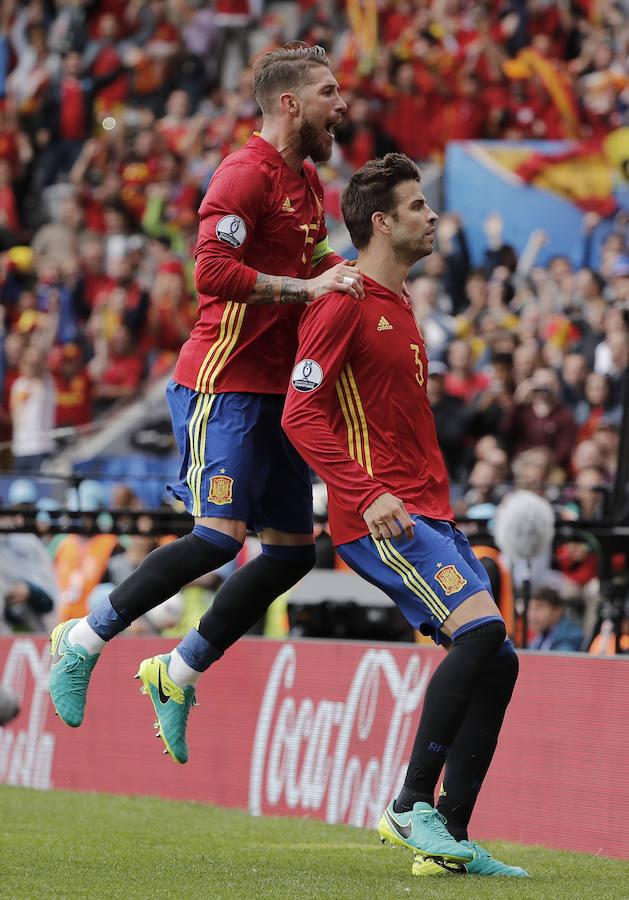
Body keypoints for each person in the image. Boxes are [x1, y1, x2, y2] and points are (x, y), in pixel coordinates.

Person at [48, 43, 363, 764]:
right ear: (289, 103)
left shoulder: (308, 182)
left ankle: (178, 671)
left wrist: (357, 275)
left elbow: (310, 261)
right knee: (218, 536)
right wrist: (306, 290)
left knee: (290, 553)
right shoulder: (242, 174)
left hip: (278, 391)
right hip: (222, 385)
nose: (340, 105)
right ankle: (86, 635)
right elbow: (212, 271)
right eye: (328, 92)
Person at [282, 154, 527, 878]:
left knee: (499, 659)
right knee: (481, 630)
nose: (431, 216)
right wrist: (364, 492)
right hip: (380, 515)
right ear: (382, 222)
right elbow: (300, 413)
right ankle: (408, 804)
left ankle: (445, 837)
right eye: (418, 205)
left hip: (427, 510)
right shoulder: (341, 302)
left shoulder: (399, 305)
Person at [528, 586, 584, 652]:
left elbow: (562, 660)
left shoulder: (571, 637)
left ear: (557, 611)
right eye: (531, 608)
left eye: (540, 608)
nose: (533, 615)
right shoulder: (540, 636)